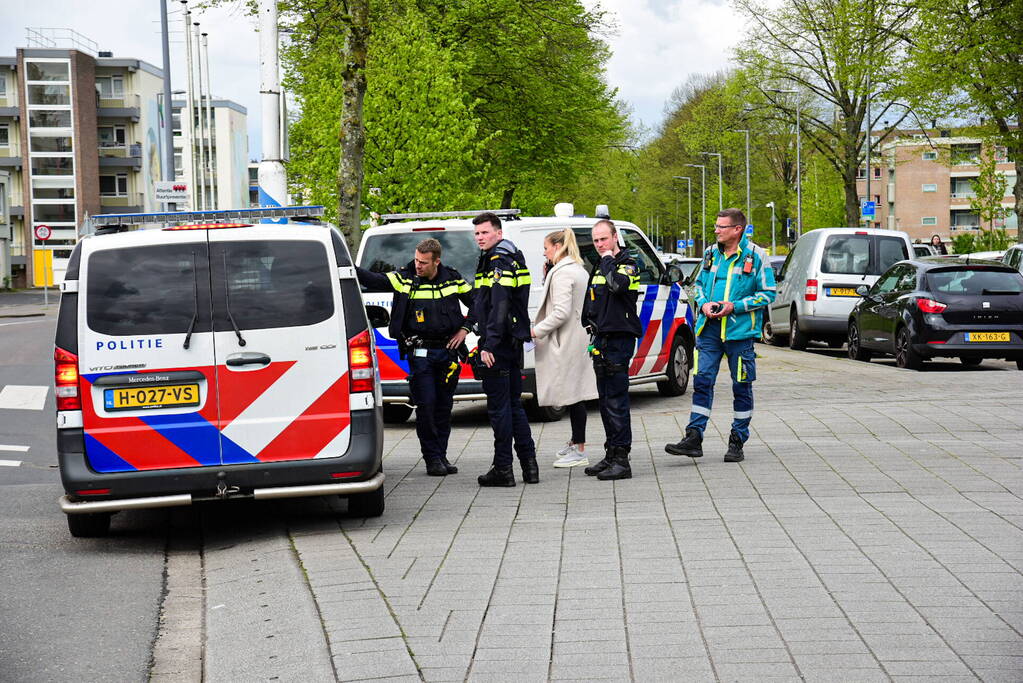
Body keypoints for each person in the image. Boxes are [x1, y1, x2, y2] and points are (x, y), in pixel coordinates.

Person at [355, 238, 473, 477]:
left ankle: (441, 455)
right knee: (426, 406)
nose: (418, 265)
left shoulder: (452, 278)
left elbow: (478, 303)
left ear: (436, 261)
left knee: (443, 407)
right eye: (417, 260)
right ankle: (432, 459)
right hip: (420, 355)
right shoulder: (404, 277)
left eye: (423, 262)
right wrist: (344, 262)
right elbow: (371, 279)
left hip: (448, 353)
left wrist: (466, 329)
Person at [665, 209, 776, 463]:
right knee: (702, 382)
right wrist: (703, 303)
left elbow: (769, 293)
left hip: (739, 333)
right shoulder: (710, 253)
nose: (716, 230)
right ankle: (694, 437)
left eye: (721, 227)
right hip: (710, 331)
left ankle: (737, 440)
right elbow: (696, 285)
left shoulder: (756, 256)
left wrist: (733, 306)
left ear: (737, 229)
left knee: (741, 386)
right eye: (716, 226)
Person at [471, 212, 539, 487]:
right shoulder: (513, 256)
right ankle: (529, 467)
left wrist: (489, 343)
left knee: (499, 409)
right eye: (476, 234)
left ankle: (503, 469)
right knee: (514, 406)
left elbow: (499, 306)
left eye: (485, 233)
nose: (480, 238)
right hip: (512, 342)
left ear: (498, 233)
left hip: (498, 345)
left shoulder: (498, 260)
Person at [532, 229, 598, 468]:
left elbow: (560, 312)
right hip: (575, 337)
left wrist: (536, 330)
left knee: (573, 395)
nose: (544, 252)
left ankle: (579, 449)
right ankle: (576, 442)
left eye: (547, 247)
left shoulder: (562, 274)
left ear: (558, 246)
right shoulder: (577, 269)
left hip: (565, 339)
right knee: (575, 393)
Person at [581, 219, 642, 481]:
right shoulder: (601, 265)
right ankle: (610, 454)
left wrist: (606, 259)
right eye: (595, 240)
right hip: (602, 339)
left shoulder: (628, 264)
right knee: (605, 401)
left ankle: (622, 460)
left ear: (615, 237)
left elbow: (617, 286)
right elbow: (592, 297)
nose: (599, 244)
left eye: (603, 239)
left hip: (619, 339)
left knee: (617, 401)